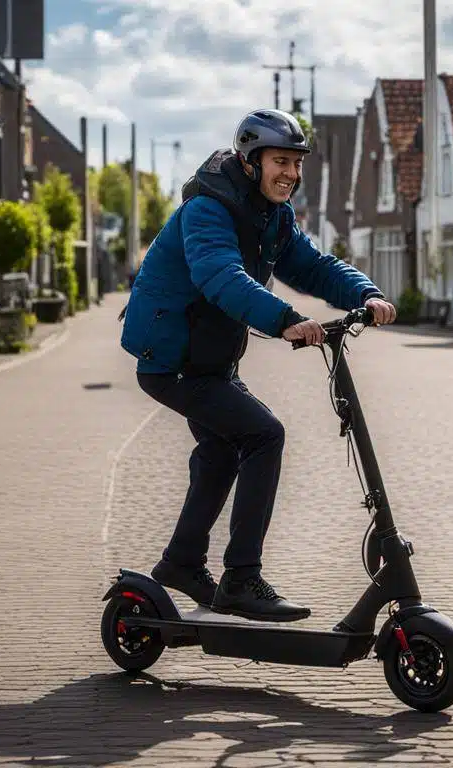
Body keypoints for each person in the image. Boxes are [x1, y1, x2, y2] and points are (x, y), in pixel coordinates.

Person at [119, 109, 396, 622]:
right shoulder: (208, 210)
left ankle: (181, 561)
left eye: (296, 163)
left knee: (222, 453)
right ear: (250, 163)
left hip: (210, 359)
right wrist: (285, 319)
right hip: (173, 359)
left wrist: (366, 292)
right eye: (279, 161)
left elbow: (312, 266)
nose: (290, 173)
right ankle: (242, 578)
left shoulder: (274, 216)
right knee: (264, 435)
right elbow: (219, 275)